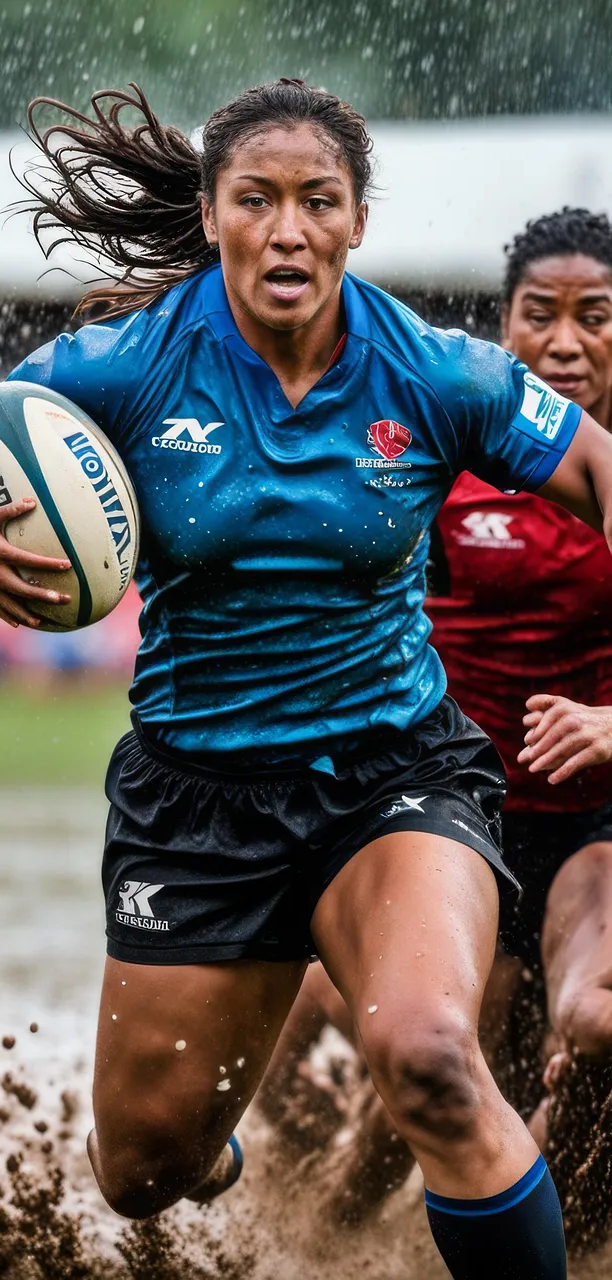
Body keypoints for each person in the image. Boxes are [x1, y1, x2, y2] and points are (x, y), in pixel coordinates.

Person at [0, 79, 612, 1278]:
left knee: (431, 1054)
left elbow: (596, 466)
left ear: (356, 220)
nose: (287, 230)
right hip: (196, 800)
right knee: (139, 1171)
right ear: (214, 215)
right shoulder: (131, 360)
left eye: (316, 201)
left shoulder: (435, 372)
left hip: (390, 772)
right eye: (256, 200)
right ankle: (210, 1143)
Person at [260, 208, 612, 1244]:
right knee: (383, 1096)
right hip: (445, 812)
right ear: (500, 330)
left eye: (591, 316)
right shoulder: (434, 450)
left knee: (591, 1026)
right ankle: (316, 1249)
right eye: (534, 315)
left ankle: (554, 1231)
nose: (560, 339)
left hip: (587, 828)